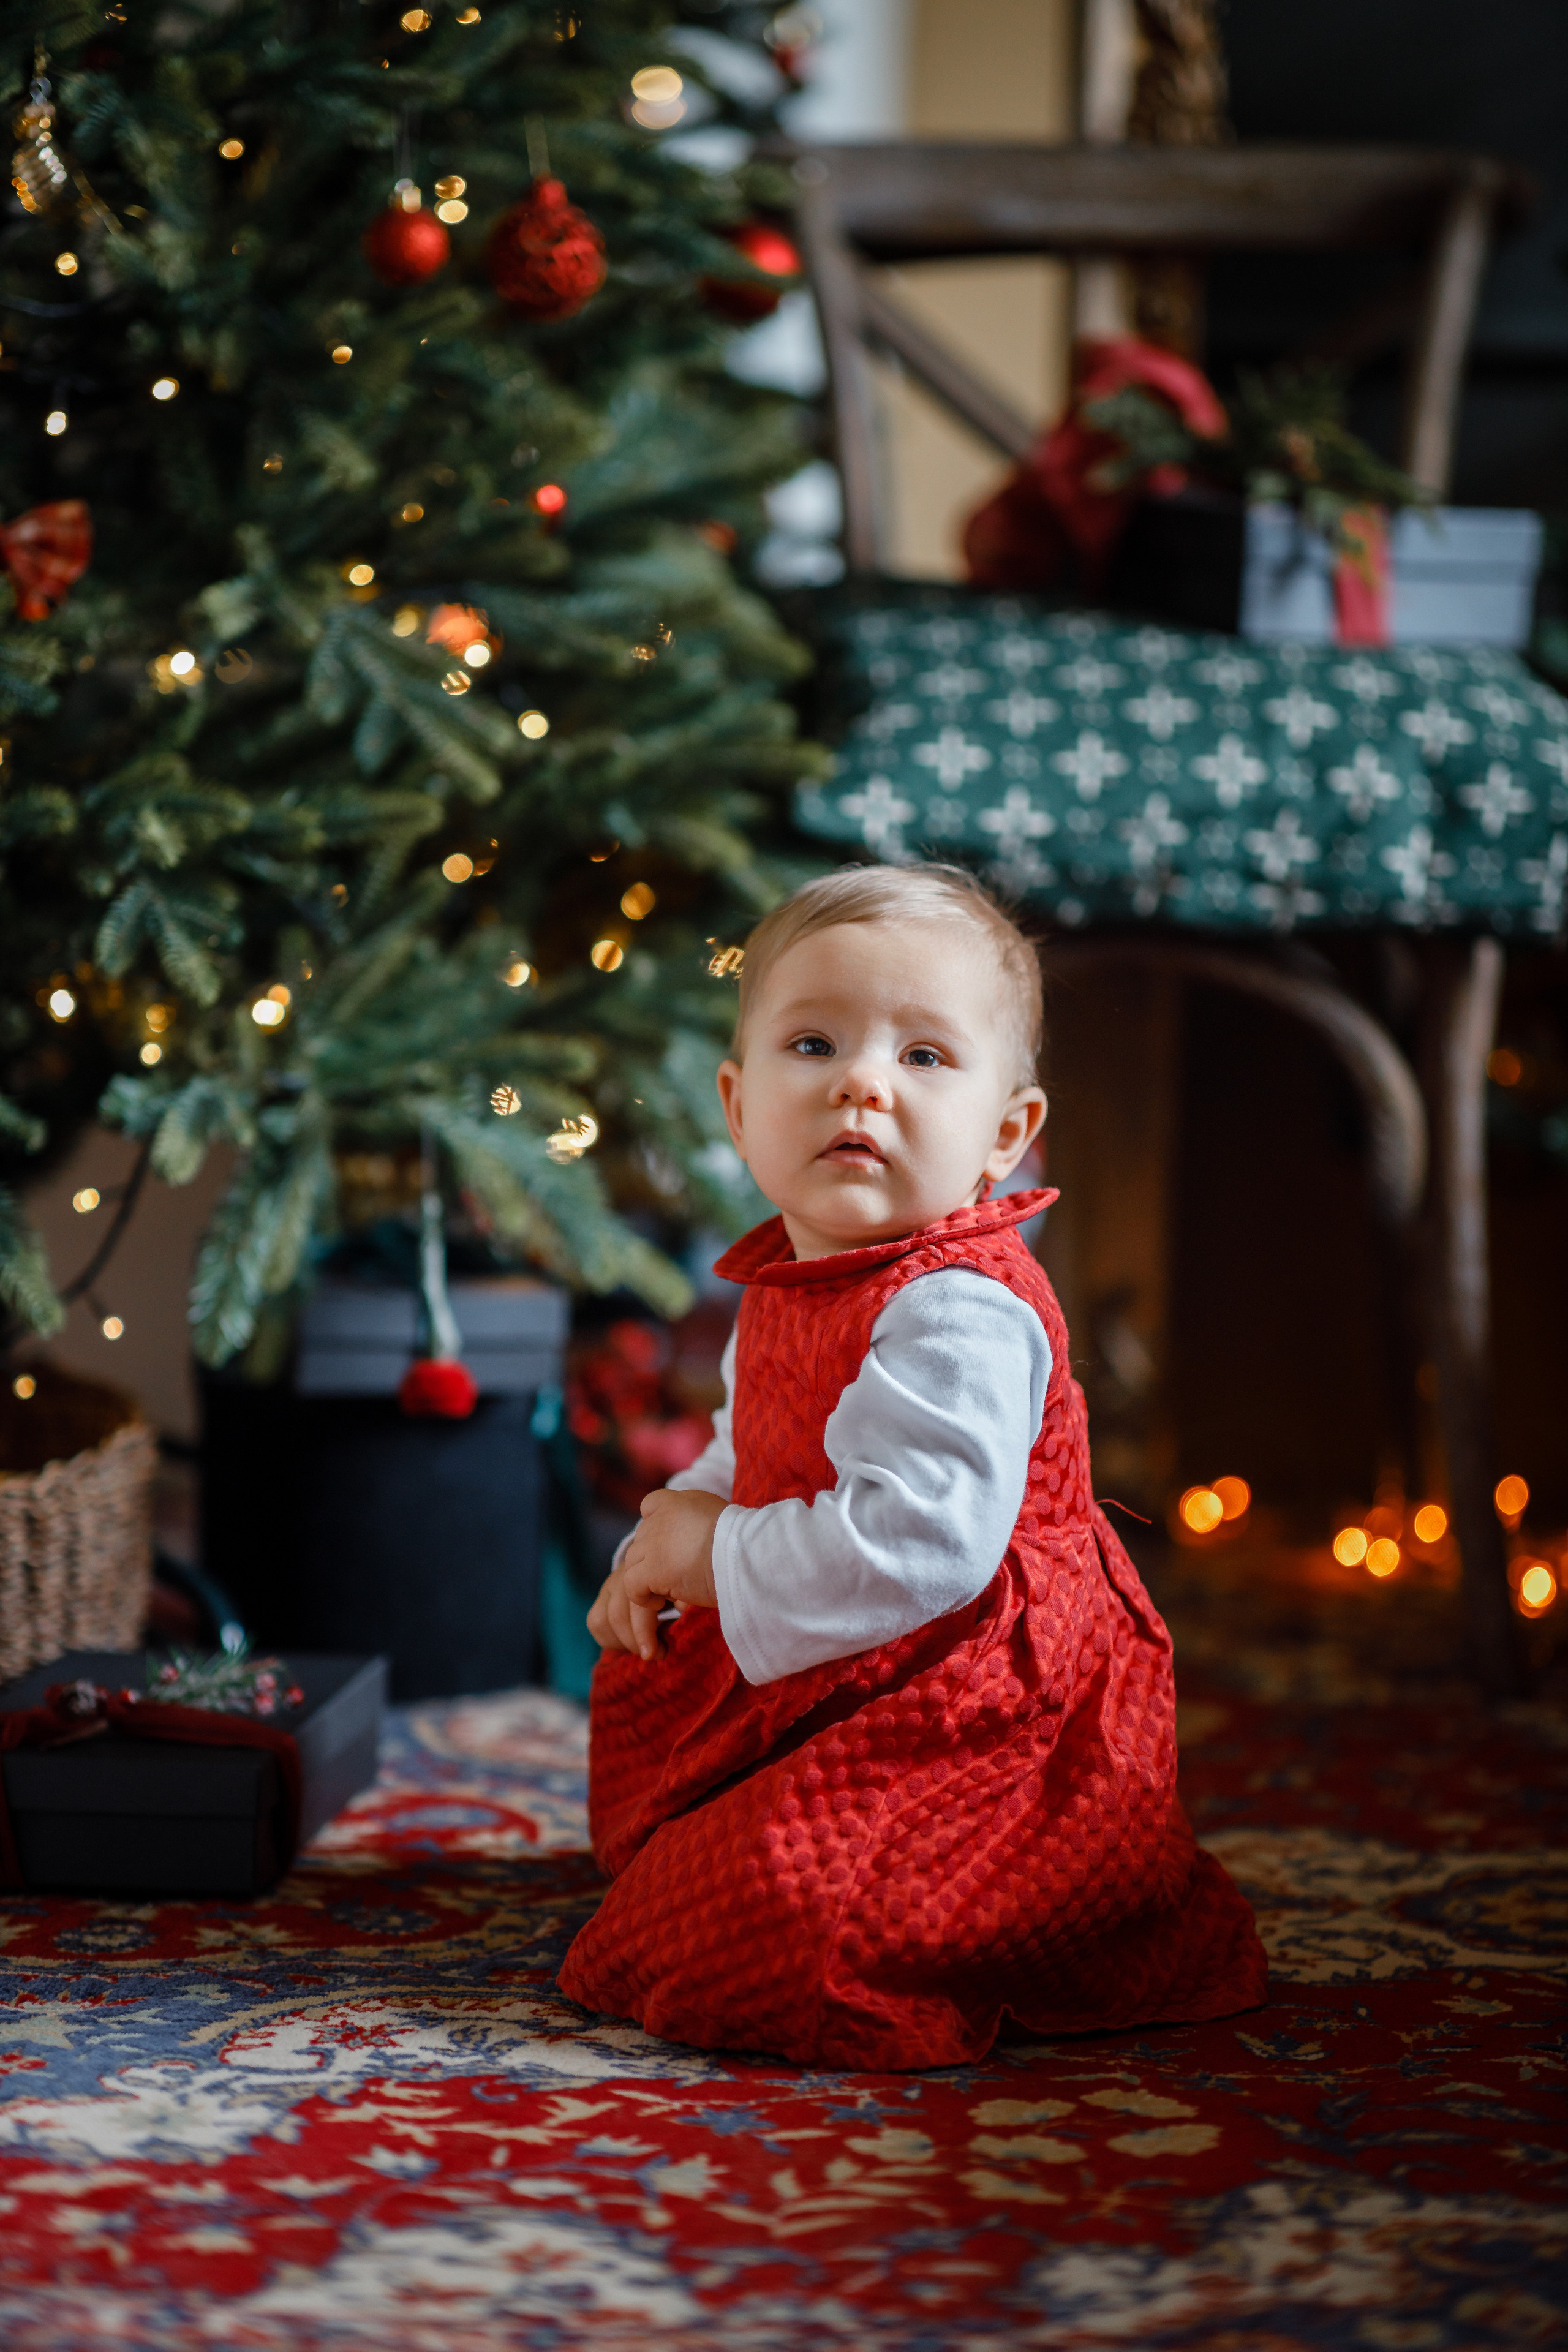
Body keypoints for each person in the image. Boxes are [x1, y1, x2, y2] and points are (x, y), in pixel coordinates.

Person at [558, 864, 1266, 2068]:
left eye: (924, 1057)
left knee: (773, 1931)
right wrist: (683, 1527)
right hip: (844, 1639)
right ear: (737, 1107)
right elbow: (758, 1441)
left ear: (1004, 1132)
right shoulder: (787, 1267)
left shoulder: (955, 1309)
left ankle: (963, 1910)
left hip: (972, 1700)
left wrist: (715, 1551)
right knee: (651, 1786)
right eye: (814, 1042)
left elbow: (919, 1549)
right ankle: (720, 1841)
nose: (861, 1082)